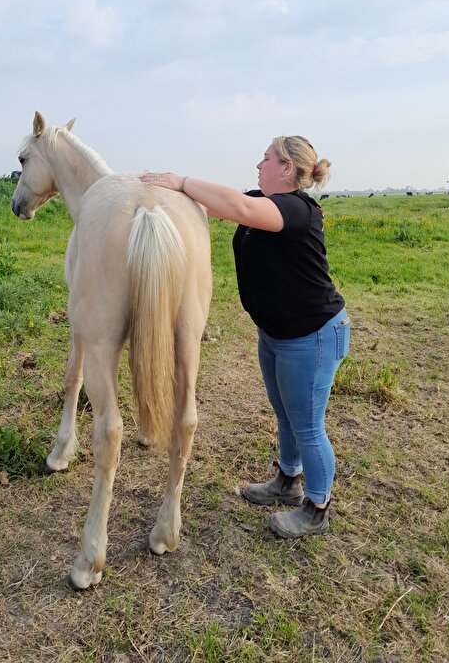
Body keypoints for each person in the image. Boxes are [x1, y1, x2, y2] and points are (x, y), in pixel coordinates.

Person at [140, 135, 349, 539]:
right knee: (285, 413)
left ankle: (317, 508)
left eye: (266, 158)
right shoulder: (263, 202)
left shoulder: (297, 209)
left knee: (307, 425)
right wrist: (167, 195)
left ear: (287, 168)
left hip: (313, 335)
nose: (258, 164)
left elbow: (238, 207)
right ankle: (287, 482)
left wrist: (181, 180)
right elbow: (224, 204)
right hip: (278, 332)